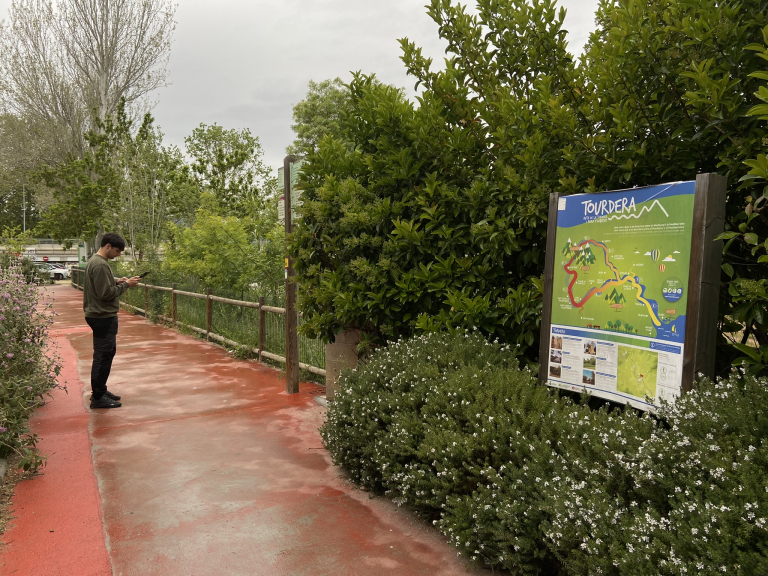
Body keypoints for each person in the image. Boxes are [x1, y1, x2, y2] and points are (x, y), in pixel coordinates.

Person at [83, 233, 140, 409]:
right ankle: (98, 397)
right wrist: (126, 285)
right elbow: (105, 294)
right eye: (117, 250)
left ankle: (100, 389)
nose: (118, 254)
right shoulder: (100, 264)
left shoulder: (96, 261)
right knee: (103, 356)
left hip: (100, 315)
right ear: (108, 246)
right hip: (102, 316)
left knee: (107, 353)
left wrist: (117, 281)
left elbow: (102, 285)